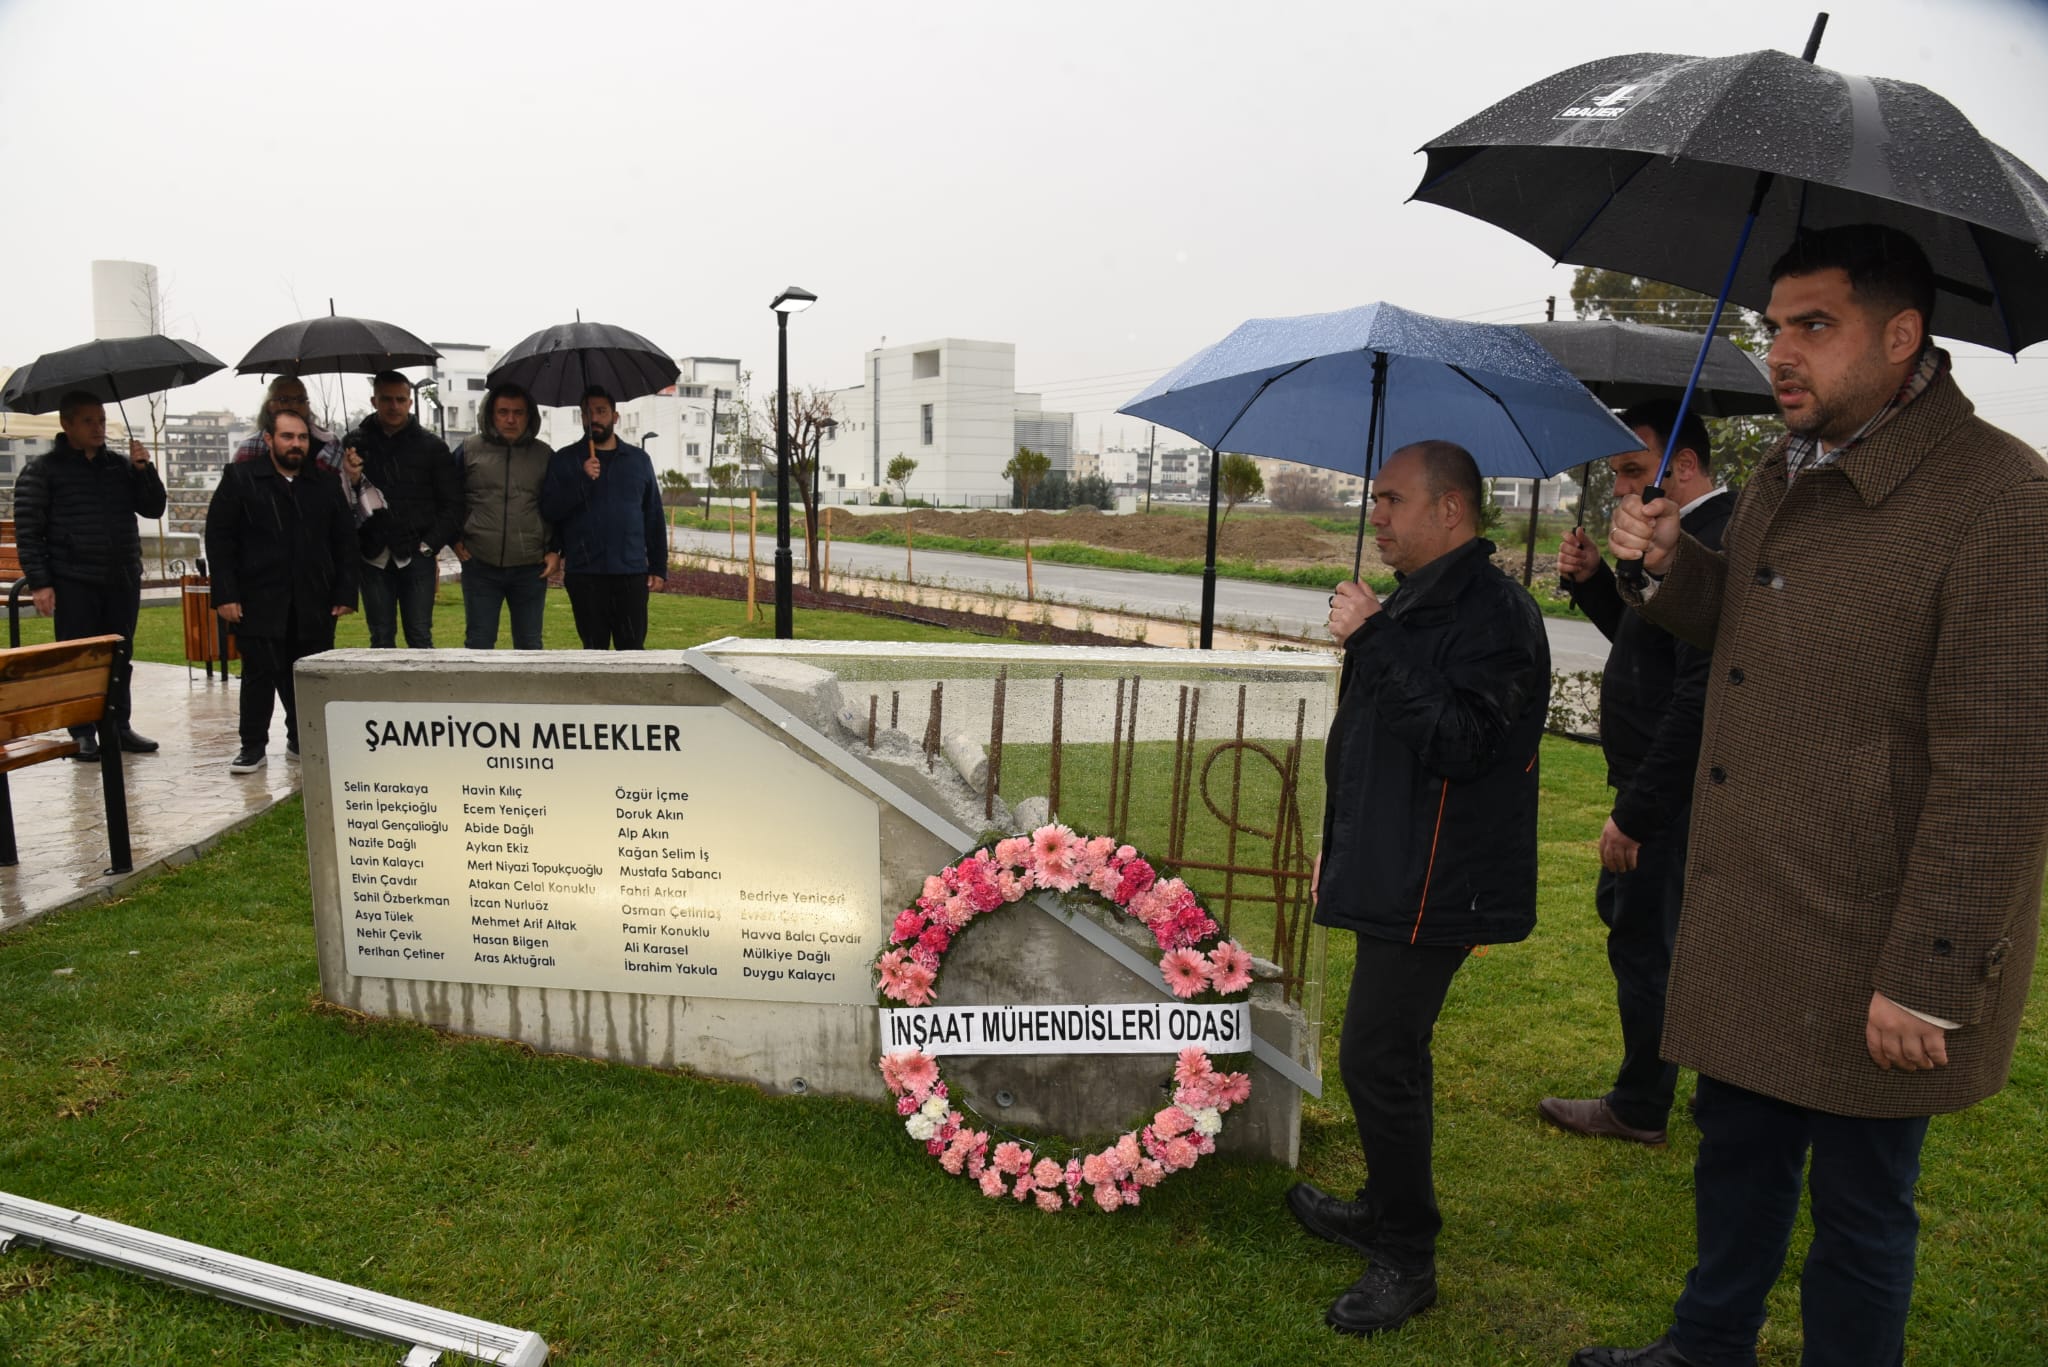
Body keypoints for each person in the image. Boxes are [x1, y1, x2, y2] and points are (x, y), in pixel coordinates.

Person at [1574, 225, 2048, 1367]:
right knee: (1734, 1155)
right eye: (1774, 325)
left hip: (1871, 932)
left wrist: (1929, 974)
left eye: (1814, 325)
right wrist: (1667, 566)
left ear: (1901, 335)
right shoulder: (1793, 467)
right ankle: (1707, 1344)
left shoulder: (2001, 497)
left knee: (1860, 1209)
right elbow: (1746, 627)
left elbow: (1999, 762)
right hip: (1755, 906)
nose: (1779, 353)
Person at [1285, 439, 1551, 1337]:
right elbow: (1371, 747)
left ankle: (1407, 1252)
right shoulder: (1414, 600)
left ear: (1450, 509)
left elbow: (1464, 741)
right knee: (1387, 1051)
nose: (1378, 517)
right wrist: (1341, 848)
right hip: (1392, 861)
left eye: (1393, 500)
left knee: (1378, 1055)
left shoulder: (1496, 615)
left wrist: (1374, 637)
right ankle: (1384, 1206)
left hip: (1442, 879)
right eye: (1376, 499)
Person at [1543, 401, 1731, 1147]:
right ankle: (1696, 1087)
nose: (1621, 488)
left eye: (1632, 470)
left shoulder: (1711, 543)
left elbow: (1698, 698)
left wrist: (1639, 813)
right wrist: (1596, 581)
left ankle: (1640, 1104)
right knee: (1646, 930)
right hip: (1652, 782)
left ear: (1682, 466)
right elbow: (1643, 643)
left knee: (1649, 943)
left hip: (1672, 792)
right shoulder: (1676, 545)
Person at [14, 392, 168, 760]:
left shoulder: (120, 467)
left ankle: (118, 726)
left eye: (101, 420)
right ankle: (81, 731)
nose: (98, 427)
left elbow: (153, 507)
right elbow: (29, 531)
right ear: (67, 424)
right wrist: (40, 582)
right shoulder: (44, 471)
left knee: (119, 656)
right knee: (79, 659)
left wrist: (144, 470)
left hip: (121, 576)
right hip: (73, 579)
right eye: (88, 421)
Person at [204, 407, 358, 773]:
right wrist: (225, 594)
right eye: (287, 436)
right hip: (257, 598)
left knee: (308, 676)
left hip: (314, 600)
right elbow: (219, 539)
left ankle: (302, 739)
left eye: (302, 437)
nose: (296, 444)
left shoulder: (325, 483)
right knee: (258, 674)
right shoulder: (241, 478)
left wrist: (345, 593)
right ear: (269, 439)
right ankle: (252, 746)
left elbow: (345, 542)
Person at [539, 386, 667, 650]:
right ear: (581, 417)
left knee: (632, 649)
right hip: (585, 573)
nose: (594, 418)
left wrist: (658, 566)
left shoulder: (638, 460)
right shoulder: (565, 459)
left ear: (615, 417)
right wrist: (582, 479)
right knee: (594, 651)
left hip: (630, 572)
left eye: (601, 411)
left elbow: (653, 515)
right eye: (588, 413)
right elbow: (551, 511)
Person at [342, 371, 460, 649]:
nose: (393, 406)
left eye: (400, 399)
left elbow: (452, 504)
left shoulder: (432, 447)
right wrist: (353, 478)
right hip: (373, 554)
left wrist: (429, 545)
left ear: (410, 402)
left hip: (416, 554)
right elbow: (343, 504)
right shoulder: (354, 444)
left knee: (420, 636)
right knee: (380, 638)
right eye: (386, 399)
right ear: (374, 401)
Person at [454, 382, 559, 649]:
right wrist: (453, 537)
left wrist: (555, 549)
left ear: (529, 415)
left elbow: (558, 507)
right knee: (479, 643)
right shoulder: (468, 450)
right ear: (491, 414)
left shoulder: (545, 455)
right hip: (480, 564)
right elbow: (448, 498)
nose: (511, 419)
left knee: (529, 645)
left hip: (530, 567)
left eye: (518, 412)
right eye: (503, 412)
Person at [231, 374, 346, 471]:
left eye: (300, 400)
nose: (294, 406)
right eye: (284, 400)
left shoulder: (328, 445)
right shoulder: (250, 448)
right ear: (269, 406)